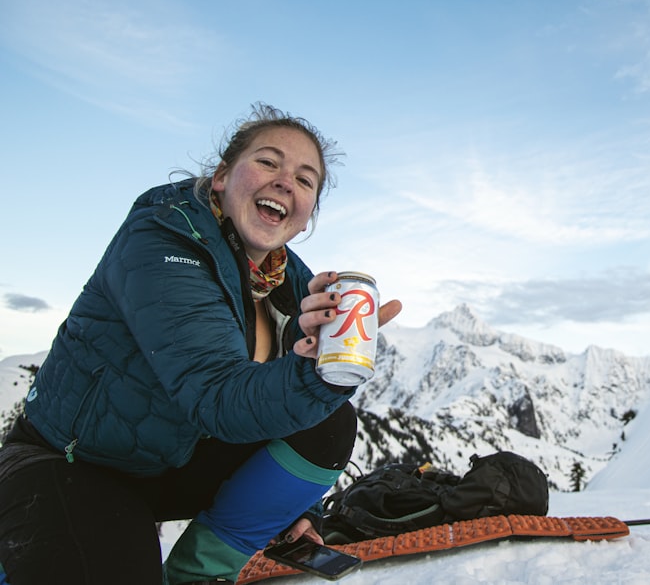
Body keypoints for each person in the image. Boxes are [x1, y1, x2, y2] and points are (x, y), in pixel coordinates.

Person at [0, 103, 402, 585]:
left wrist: (298, 507)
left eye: (305, 179)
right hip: (74, 464)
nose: (285, 182)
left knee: (331, 422)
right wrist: (317, 375)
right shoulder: (162, 240)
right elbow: (217, 396)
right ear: (221, 177)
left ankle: (199, 574)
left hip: (170, 459)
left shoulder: (289, 279)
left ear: (307, 212)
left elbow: (288, 411)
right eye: (268, 162)